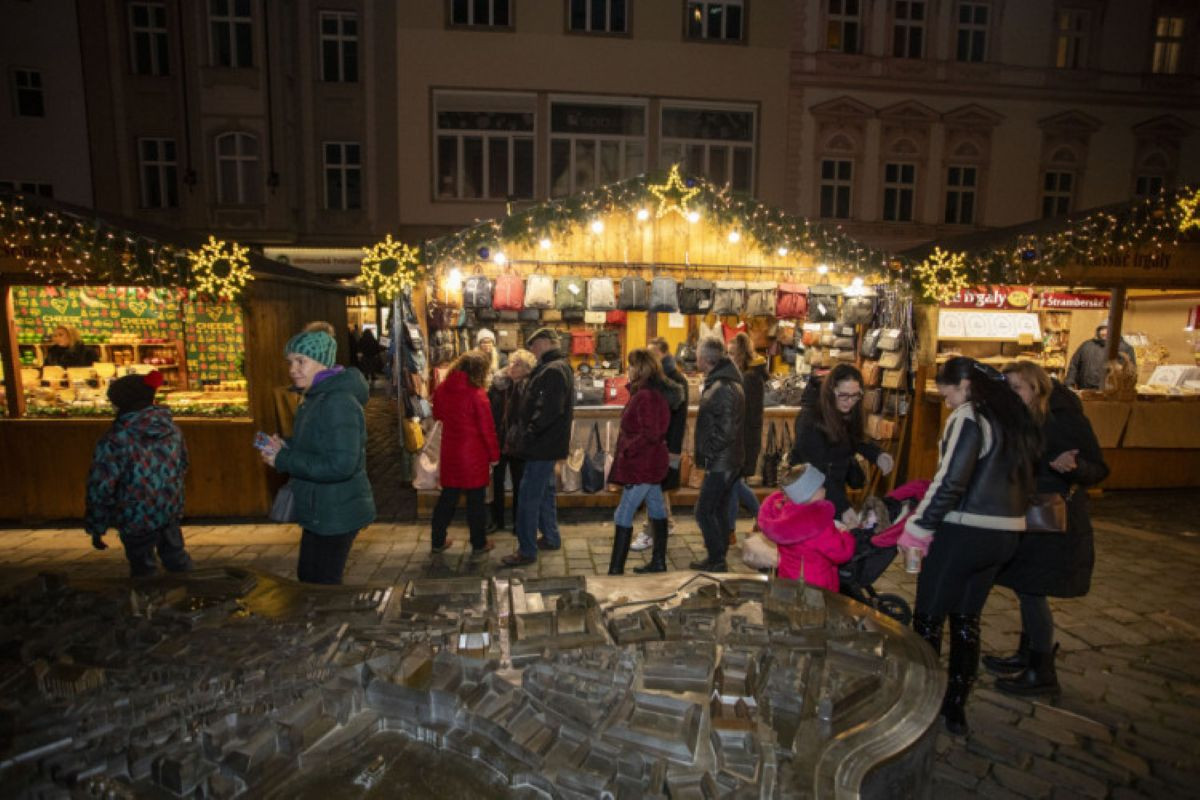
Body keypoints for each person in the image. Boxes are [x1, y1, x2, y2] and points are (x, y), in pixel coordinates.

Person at [897, 356, 1040, 736]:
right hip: (1005, 535)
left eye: (948, 395)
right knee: (966, 620)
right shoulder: (1013, 418)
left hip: (964, 531)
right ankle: (955, 705)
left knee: (928, 619)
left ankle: (923, 703)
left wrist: (918, 527)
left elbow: (950, 481)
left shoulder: (970, 417)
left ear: (964, 386)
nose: (947, 404)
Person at [986, 361, 1109, 695]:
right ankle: (1027, 655)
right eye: (1008, 388)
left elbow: (1098, 468)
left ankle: (1042, 671)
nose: (1012, 395)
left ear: (1036, 387)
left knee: (1032, 590)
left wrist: (1074, 466)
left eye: (1017, 388)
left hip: (1054, 520)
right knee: (1025, 585)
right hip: (1027, 512)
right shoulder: (1024, 417)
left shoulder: (1063, 419)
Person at [260, 329, 374, 585]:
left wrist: (283, 460)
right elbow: (318, 445)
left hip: (336, 511)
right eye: (290, 362)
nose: (293, 369)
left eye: (301, 361)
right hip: (321, 507)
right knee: (310, 578)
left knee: (322, 586)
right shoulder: (315, 396)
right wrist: (285, 446)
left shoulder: (338, 402)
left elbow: (341, 465)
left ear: (323, 361)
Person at [85, 370, 192, 577]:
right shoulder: (172, 430)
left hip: (135, 514)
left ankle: (149, 595)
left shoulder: (116, 438)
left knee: (143, 569)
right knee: (177, 558)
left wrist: (97, 525)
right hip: (167, 507)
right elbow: (183, 464)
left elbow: (100, 486)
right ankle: (193, 589)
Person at [501, 327, 574, 567]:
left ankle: (527, 550)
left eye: (533, 345)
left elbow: (547, 411)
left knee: (528, 498)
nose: (532, 350)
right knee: (545, 493)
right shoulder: (558, 367)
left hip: (542, 445)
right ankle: (551, 537)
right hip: (548, 444)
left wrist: (529, 434)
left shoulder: (552, 370)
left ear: (543, 343)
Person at [789, 364, 893, 526]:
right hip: (810, 493)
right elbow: (816, 469)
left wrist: (876, 454)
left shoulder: (847, 411)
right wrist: (842, 506)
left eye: (855, 395)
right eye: (843, 395)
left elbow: (853, 438)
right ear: (831, 391)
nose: (850, 401)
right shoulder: (810, 418)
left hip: (833, 485)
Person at [606, 349, 675, 575]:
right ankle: (658, 562)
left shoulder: (646, 396)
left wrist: (628, 450)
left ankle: (616, 570)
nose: (628, 370)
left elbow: (651, 433)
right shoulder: (649, 393)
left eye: (631, 365)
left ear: (640, 369)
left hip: (642, 465)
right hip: (649, 463)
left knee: (623, 513)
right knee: (656, 508)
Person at [430, 350, 500, 558]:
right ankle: (479, 543)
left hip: (451, 450)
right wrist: (494, 455)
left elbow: (438, 415)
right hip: (473, 453)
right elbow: (487, 429)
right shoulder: (477, 394)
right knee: (475, 501)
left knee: (448, 498)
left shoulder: (443, 388)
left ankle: (437, 540)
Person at [690, 336, 745, 572]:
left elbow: (726, 430)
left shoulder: (723, 387)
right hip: (727, 459)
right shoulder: (723, 382)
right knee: (718, 509)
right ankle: (718, 556)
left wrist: (709, 452)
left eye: (697, 354)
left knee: (704, 511)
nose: (695, 357)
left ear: (704, 359)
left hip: (723, 461)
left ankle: (717, 559)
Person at [756, 464, 855, 591]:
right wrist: (846, 534)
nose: (825, 489)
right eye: (820, 487)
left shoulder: (782, 515)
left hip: (787, 580)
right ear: (809, 494)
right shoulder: (817, 524)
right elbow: (842, 553)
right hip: (816, 587)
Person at [631, 337, 688, 551]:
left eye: (652, 352)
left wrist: (672, 448)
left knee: (655, 487)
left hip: (664, 444)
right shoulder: (662, 378)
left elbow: (675, 419)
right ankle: (666, 524)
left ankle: (652, 531)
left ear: (662, 353)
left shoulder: (672, 379)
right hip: (662, 443)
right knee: (659, 488)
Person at [487, 349, 537, 533]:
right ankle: (497, 520)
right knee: (496, 482)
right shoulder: (498, 384)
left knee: (520, 484)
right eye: (511, 362)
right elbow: (489, 410)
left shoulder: (530, 387)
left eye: (518, 364)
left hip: (520, 442)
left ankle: (518, 522)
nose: (512, 367)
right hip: (499, 439)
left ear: (527, 369)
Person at [727, 332, 766, 545]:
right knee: (734, 483)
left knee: (734, 482)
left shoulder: (749, 378)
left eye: (732, 353)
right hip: (742, 437)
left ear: (741, 354)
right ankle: (731, 530)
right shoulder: (747, 376)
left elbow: (745, 413)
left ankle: (760, 519)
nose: (729, 357)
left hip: (743, 439)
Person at [1065, 323, 1137, 390]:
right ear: (1098, 331)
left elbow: (1130, 372)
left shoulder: (1125, 348)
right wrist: (1069, 383)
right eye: (1102, 329)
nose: (1105, 332)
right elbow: (1074, 365)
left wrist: (1126, 389)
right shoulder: (1086, 346)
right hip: (1085, 391)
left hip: (1111, 394)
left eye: (1109, 329)